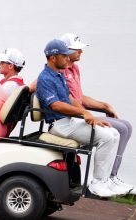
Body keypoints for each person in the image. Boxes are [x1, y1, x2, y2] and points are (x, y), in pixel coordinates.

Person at [36, 39, 121, 197]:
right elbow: (56, 106)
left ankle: (104, 181)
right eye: (64, 56)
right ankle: (97, 183)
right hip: (59, 125)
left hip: (69, 121)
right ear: (53, 57)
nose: (68, 59)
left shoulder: (58, 75)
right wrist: (83, 114)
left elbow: (69, 98)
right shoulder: (45, 78)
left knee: (114, 133)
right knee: (107, 138)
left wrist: (88, 115)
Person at [60, 33, 133, 193]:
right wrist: (88, 115)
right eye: (77, 49)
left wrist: (105, 106)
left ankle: (112, 176)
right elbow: (68, 100)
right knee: (120, 129)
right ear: (65, 50)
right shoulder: (61, 71)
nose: (81, 52)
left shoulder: (75, 68)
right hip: (74, 118)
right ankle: (106, 178)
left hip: (79, 115)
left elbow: (80, 98)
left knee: (126, 125)